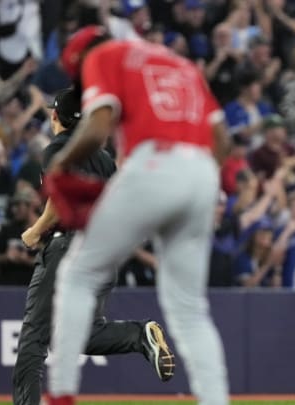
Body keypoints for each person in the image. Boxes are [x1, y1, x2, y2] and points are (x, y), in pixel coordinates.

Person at [44, 27, 229, 405]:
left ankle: (60, 396)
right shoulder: (180, 63)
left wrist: (61, 164)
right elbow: (222, 141)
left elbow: (96, 128)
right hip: (202, 173)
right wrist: (196, 187)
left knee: (78, 274)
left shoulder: (102, 55)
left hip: (153, 162)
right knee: (191, 310)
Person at [12, 87, 174, 405]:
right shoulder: (103, 159)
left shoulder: (58, 147)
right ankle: (138, 335)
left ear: (56, 116)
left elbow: (59, 203)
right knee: (82, 335)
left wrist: (34, 231)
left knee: (34, 338)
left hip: (65, 247)